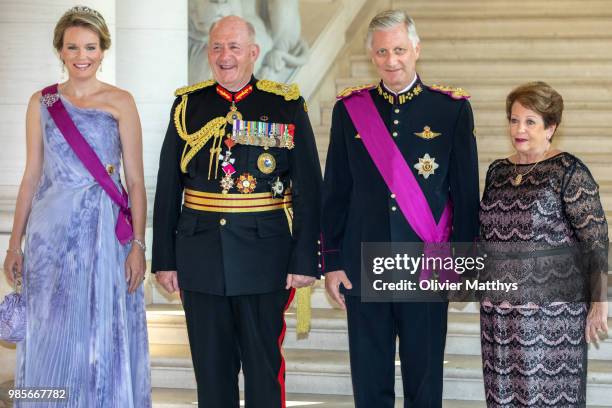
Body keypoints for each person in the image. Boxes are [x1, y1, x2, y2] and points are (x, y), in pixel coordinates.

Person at [152, 15, 321, 408]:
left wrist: (305, 258)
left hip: (266, 257)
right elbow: (168, 188)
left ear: (253, 53)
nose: (224, 56)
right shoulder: (188, 105)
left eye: (233, 47)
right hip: (200, 256)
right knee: (211, 373)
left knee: (263, 371)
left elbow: (310, 188)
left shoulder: (284, 104)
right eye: (216, 47)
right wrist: (165, 258)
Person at [319, 9, 480, 408]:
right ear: (371, 55)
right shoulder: (349, 110)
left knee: (424, 379)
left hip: (425, 263)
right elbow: (335, 191)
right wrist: (333, 262)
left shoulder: (451, 109)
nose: (391, 61)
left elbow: (464, 192)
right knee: (369, 379)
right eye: (382, 52)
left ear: (417, 50)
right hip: (362, 263)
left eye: (399, 50)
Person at [1, 6, 150, 407]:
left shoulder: (121, 101)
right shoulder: (42, 102)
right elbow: (32, 175)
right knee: (50, 333)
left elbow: (134, 180)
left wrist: (138, 244)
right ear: (60, 51)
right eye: (72, 47)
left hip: (105, 232)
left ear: (103, 51)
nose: (81, 55)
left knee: (100, 332)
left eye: (90, 47)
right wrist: (15, 244)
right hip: (50, 236)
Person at [479, 81, 609, 407]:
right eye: (513, 120)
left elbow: (595, 241)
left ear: (551, 127)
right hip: (499, 312)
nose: (519, 129)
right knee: (503, 395)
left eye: (530, 121)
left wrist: (599, 301)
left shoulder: (568, 172)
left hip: (551, 315)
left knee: (545, 397)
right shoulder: (498, 171)